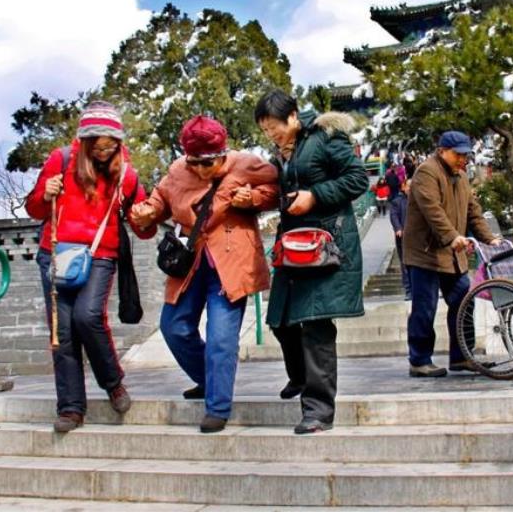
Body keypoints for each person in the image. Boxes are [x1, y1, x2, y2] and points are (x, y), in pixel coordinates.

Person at [130, 115, 278, 434]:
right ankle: (209, 380)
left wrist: (251, 199)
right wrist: (145, 212)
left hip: (231, 261)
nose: (200, 169)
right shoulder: (177, 171)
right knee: (173, 326)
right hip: (191, 261)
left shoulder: (247, 164)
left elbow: (275, 187)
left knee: (221, 338)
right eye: (194, 162)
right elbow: (160, 200)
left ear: (222, 154)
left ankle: (218, 405)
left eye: (208, 163)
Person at [26, 101, 155, 433]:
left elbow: (144, 227)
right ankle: (71, 408)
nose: (104, 151)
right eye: (97, 144)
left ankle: (113, 383)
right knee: (63, 333)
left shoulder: (126, 174)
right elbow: (35, 208)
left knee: (88, 316)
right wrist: (45, 192)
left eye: (111, 145)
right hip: (56, 253)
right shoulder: (62, 160)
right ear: (84, 141)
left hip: (100, 254)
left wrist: (146, 217)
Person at [255, 89, 368, 434]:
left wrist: (315, 196)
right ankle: (301, 378)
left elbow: (358, 179)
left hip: (325, 246)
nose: (270, 134)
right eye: (264, 130)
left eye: (273, 126)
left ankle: (319, 411)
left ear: (291, 116)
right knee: (280, 319)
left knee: (316, 326)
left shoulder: (324, 137)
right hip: (293, 247)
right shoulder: (282, 153)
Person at [403, 130, 501, 377]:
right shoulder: (427, 172)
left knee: (463, 301)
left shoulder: (462, 175)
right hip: (426, 253)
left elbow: (473, 211)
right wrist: (453, 236)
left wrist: (489, 237)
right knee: (425, 307)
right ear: (442, 151)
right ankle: (419, 360)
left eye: (465, 155)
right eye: (457, 154)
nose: (462, 160)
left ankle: (461, 357)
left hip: (452, 253)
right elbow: (432, 211)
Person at [389, 178, 412, 301]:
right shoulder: (397, 202)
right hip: (403, 238)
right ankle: (408, 290)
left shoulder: (421, 201)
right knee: (405, 264)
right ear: (404, 187)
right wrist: (398, 228)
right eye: (409, 187)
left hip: (418, 238)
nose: (411, 189)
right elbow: (393, 215)